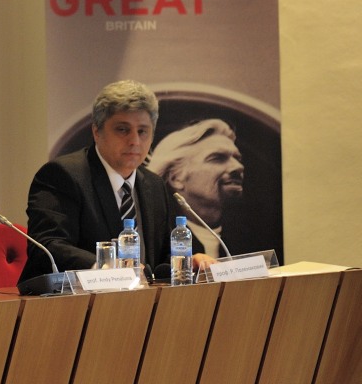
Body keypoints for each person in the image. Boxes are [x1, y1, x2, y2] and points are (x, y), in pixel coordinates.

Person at [17, 80, 214, 283]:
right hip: (70, 296)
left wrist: (189, 261)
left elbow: (160, 259)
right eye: (122, 129)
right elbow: (47, 245)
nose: (135, 141)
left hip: (139, 297)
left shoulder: (154, 185)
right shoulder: (62, 175)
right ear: (97, 131)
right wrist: (107, 267)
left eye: (142, 131)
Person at [147, 119, 245, 259]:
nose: (238, 167)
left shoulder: (251, 234)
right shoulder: (155, 240)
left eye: (237, 158)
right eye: (217, 158)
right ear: (176, 178)